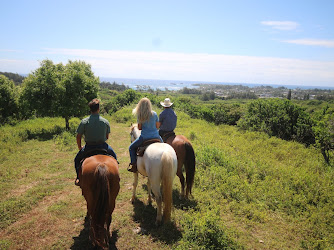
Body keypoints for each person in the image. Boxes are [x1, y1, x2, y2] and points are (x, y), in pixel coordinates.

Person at [74, 98, 117, 186]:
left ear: (90, 109)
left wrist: (80, 147)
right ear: (98, 109)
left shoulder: (84, 122)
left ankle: (78, 178)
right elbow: (107, 137)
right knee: (114, 157)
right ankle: (116, 177)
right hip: (103, 146)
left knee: (77, 160)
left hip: (89, 147)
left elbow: (78, 136)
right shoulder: (105, 122)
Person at [128, 97, 162, 173]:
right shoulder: (154, 114)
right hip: (156, 137)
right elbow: (157, 126)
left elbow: (139, 128)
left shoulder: (140, 115)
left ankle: (134, 165)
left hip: (144, 138)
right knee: (165, 147)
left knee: (131, 148)